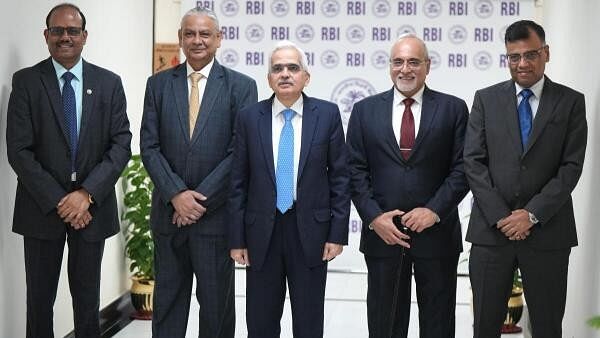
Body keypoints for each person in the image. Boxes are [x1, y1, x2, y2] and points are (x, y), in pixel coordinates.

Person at [5, 3, 132, 338]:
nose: (65, 37)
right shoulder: (27, 82)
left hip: (92, 210)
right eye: (57, 31)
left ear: (84, 36)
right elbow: (18, 150)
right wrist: (63, 200)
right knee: (39, 302)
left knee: (87, 303)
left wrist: (86, 194)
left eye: (72, 31)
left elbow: (121, 145)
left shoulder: (109, 84)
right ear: (46, 36)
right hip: (41, 209)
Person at [464, 20, 587, 338]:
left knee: (547, 327)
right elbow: (473, 163)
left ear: (546, 53)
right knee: (484, 327)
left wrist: (531, 215)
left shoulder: (571, 102)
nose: (522, 63)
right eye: (513, 56)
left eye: (530, 55)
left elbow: (571, 167)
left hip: (548, 234)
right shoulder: (485, 100)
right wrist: (504, 218)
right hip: (491, 234)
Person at [140, 6, 257, 338]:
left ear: (219, 39)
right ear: (179, 38)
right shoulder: (158, 85)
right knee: (168, 305)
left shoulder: (241, 87)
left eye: (205, 33)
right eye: (189, 33)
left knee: (217, 308)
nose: (197, 40)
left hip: (216, 219)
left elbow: (240, 152)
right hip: (168, 216)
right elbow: (149, 146)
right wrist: (177, 195)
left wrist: (197, 202)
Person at [346, 34, 469, 338]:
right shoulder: (364, 111)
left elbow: (463, 168)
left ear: (427, 66)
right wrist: (374, 218)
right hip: (384, 237)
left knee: (438, 323)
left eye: (414, 61)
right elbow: (354, 170)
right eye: (398, 61)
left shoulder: (453, 109)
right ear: (390, 66)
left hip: (437, 235)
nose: (405, 69)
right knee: (385, 323)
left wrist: (433, 211)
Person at [228, 40, 350, 338]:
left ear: (306, 77)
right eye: (277, 68)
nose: (285, 74)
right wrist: (237, 239)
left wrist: (337, 233)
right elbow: (237, 182)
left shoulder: (328, 114)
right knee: (260, 321)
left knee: (308, 322)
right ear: (268, 78)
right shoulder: (248, 118)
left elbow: (340, 177)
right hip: (260, 234)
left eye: (293, 68)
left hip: (310, 230)